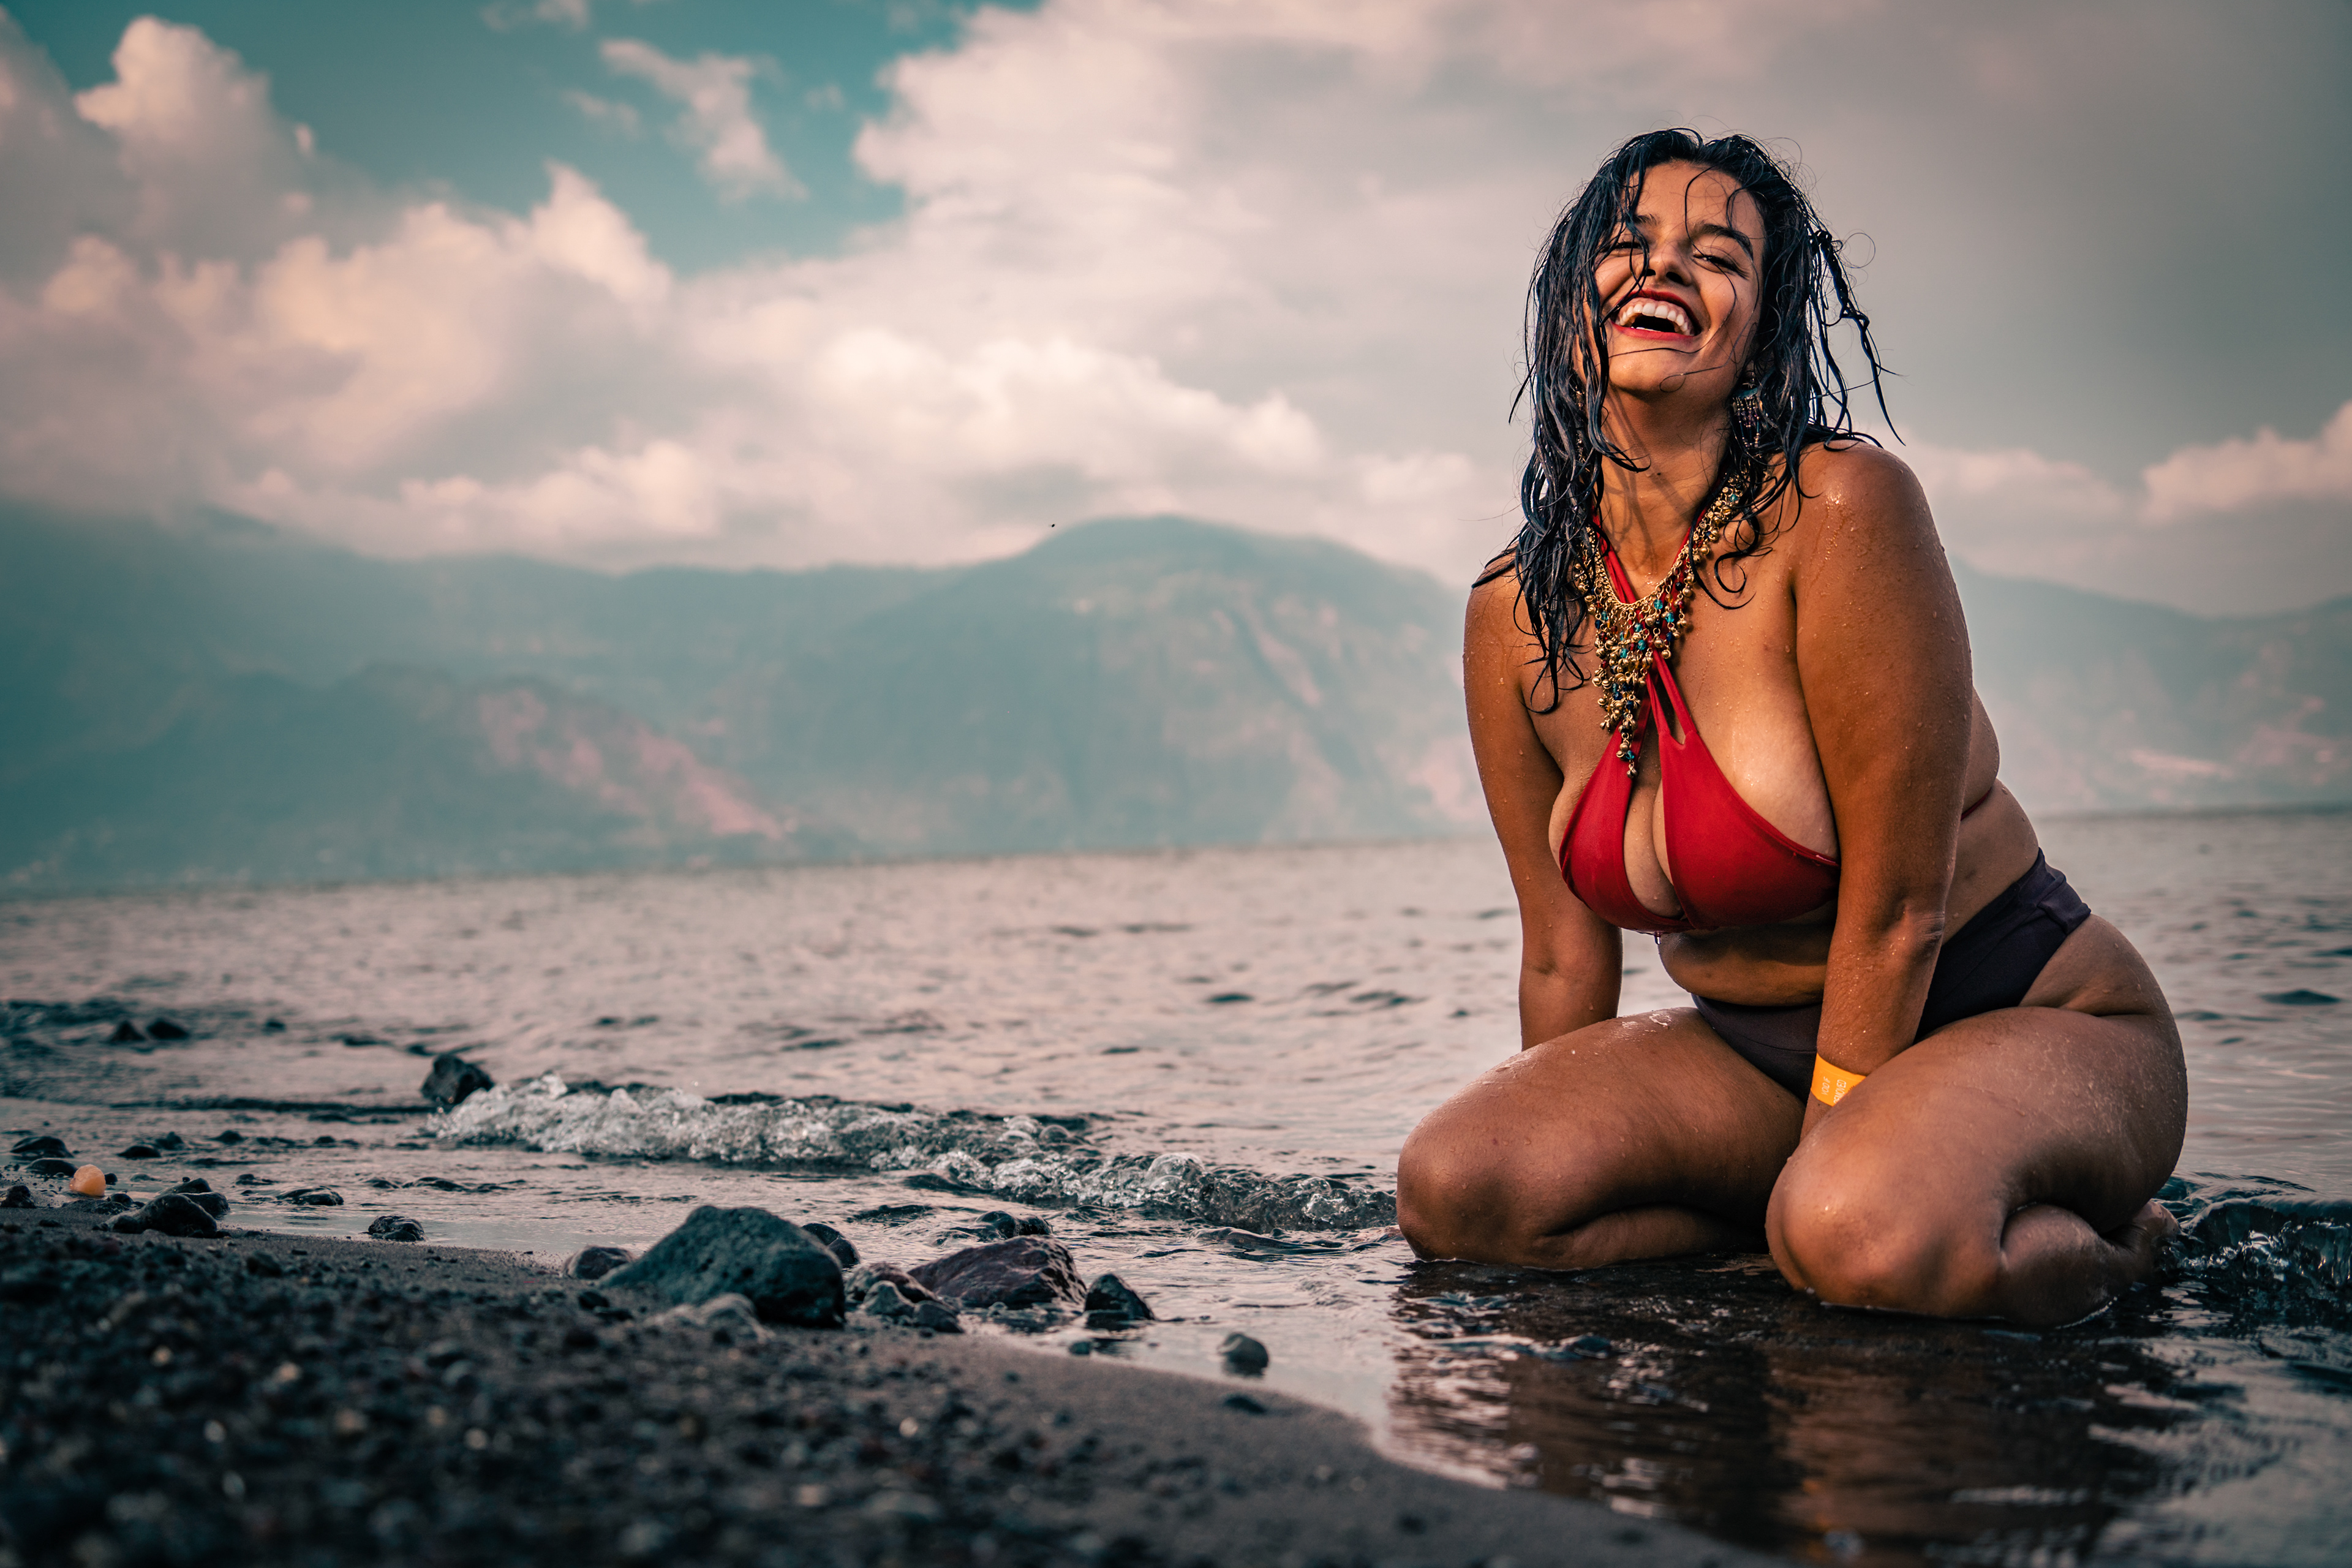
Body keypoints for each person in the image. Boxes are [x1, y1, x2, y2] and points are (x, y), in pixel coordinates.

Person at [1395, 129, 2185, 1327]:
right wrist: (1558, 1135)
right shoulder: (1513, 613)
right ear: (1568, 308)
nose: (1662, 270)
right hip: (1748, 1055)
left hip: (2024, 1016)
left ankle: (2126, 1253)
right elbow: (1565, 955)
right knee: (1461, 1188)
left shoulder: (1841, 510)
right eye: (1627, 245)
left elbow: (1897, 907)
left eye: (1716, 256)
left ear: (1758, 331)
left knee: (1852, 1233)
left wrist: (1826, 1175)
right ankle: (1818, 1210)